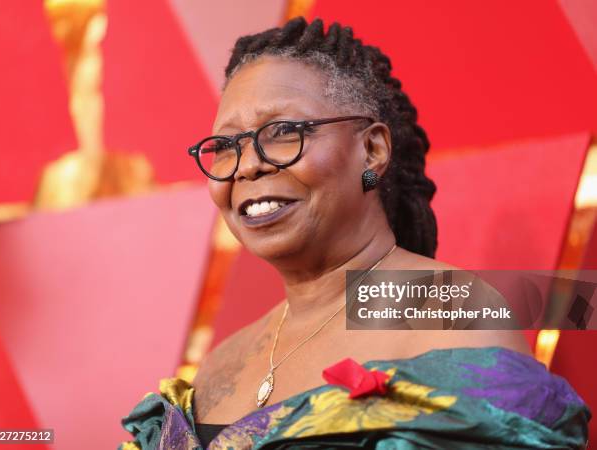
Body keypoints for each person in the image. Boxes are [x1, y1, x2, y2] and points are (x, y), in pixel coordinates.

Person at [118, 17, 590, 449]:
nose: (249, 164)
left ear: (372, 150)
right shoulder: (223, 360)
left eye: (283, 131)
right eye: (225, 146)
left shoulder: (452, 313)